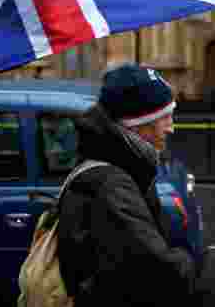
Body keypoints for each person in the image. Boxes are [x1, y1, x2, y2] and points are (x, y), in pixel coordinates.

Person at [57, 63, 197, 307]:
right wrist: (186, 262)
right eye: (164, 117)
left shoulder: (123, 167)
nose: (171, 127)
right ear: (138, 123)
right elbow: (158, 273)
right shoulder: (111, 186)